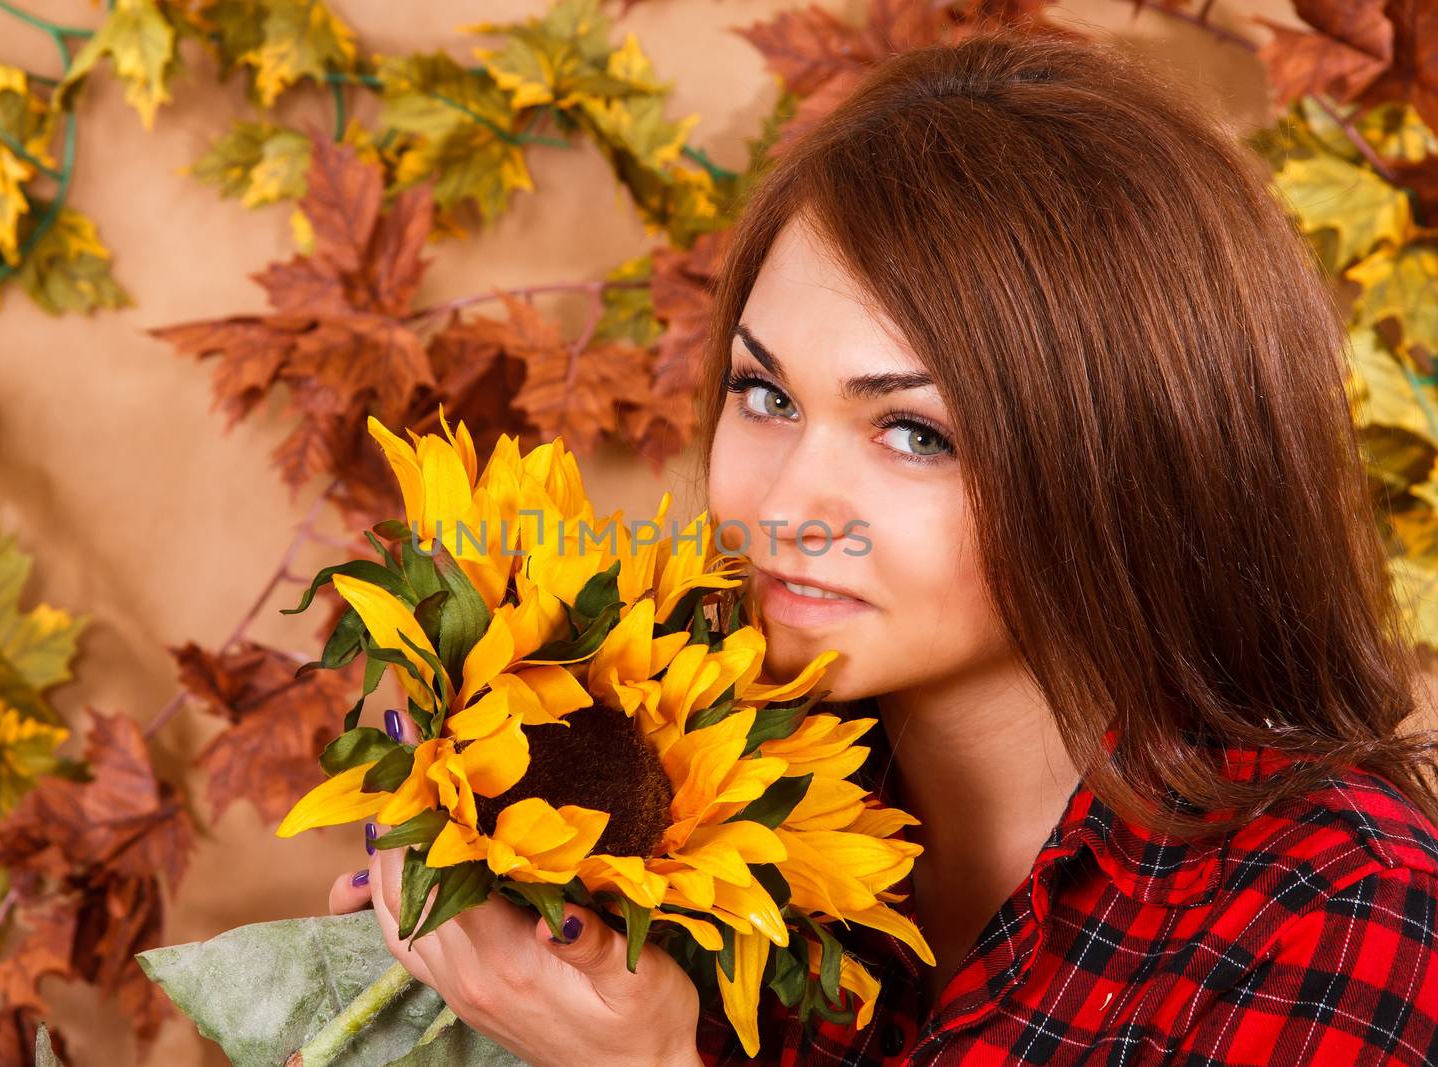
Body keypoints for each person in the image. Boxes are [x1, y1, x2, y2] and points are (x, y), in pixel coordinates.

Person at [327, 27, 1438, 1066]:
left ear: (1132, 462)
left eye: (914, 432)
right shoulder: (668, 803)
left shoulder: (1340, 912)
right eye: (764, 393)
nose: (791, 503)